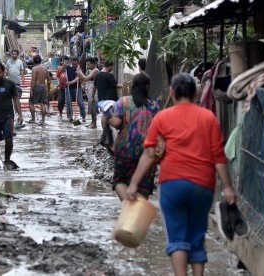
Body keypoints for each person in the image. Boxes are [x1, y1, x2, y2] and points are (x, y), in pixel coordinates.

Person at [126, 73, 237, 276]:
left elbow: (150, 154)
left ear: (171, 93)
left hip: (172, 184)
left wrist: (133, 184)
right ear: (195, 93)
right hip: (203, 186)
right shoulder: (208, 118)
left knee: (177, 238)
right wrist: (228, 188)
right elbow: (218, 157)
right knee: (197, 236)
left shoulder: (162, 117)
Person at [109, 73, 159, 201]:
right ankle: (137, 213)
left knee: (120, 181)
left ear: (132, 86)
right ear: (147, 87)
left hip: (124, 150)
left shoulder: (123, 101)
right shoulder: (154, 106)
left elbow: (116, 122)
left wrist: (108, 117)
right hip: (147, 151)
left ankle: (128, 207)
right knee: (143, 187)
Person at [92, 60, 122, 129]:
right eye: (112, 67)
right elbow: (116, 85)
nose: (112, 69)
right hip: (111, 100)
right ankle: (108, 131)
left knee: (105, 115)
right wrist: (125, 86)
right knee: (111, 116)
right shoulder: (110, 75)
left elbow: (94, 87)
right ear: (110, 66)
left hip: (102, 100)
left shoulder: (97, 75)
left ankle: (105, 132)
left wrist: (92, 97)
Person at [76, 57, 99, 128]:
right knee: (91, 108)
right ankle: (92, 122)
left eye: (89, 64)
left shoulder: (95, 70)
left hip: (94, 91)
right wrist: (80, 74)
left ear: (93, 64)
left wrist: (80, 72)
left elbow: (86, 78)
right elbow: (84, 79)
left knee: (93, 108)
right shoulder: (90, 70)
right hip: (89, 90)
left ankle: (94, 124)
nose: (88, 66)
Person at [28, 55, 51, 126]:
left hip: (37, 87)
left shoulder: (34, 69)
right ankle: (43, 120)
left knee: (31, 102)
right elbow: (49, 80)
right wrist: (48, 89)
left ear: (34, 62)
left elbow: (33, 80)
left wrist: (31, 90)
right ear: (40, 61)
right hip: (43, 87)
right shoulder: (45, 69)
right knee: (42, 104)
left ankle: (33, 119)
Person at [65, 56, 86, 122]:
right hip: (68, 88)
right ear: (71, 62)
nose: (74, 65)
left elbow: (77, 78)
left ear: (77, 63)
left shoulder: (79, 69)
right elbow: (60, 70)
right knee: (68, 102)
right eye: (73, 64)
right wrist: (64, 64)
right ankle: (69, 116)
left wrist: (70, 82)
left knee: (80, 102)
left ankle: (83, 116)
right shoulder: (67, 67)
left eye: (75, 64)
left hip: (77, 88)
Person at [56, 56, 69, 121]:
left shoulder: (70, 67)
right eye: (63, 61)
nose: (65, 62)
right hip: (61, 88)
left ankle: (69, 115)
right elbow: (57, 77)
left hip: (69, 88)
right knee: (61, 101)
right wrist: (58, 84)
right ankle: (60, 112)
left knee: (69, 101)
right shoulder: (59, 68)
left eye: (66, 61)